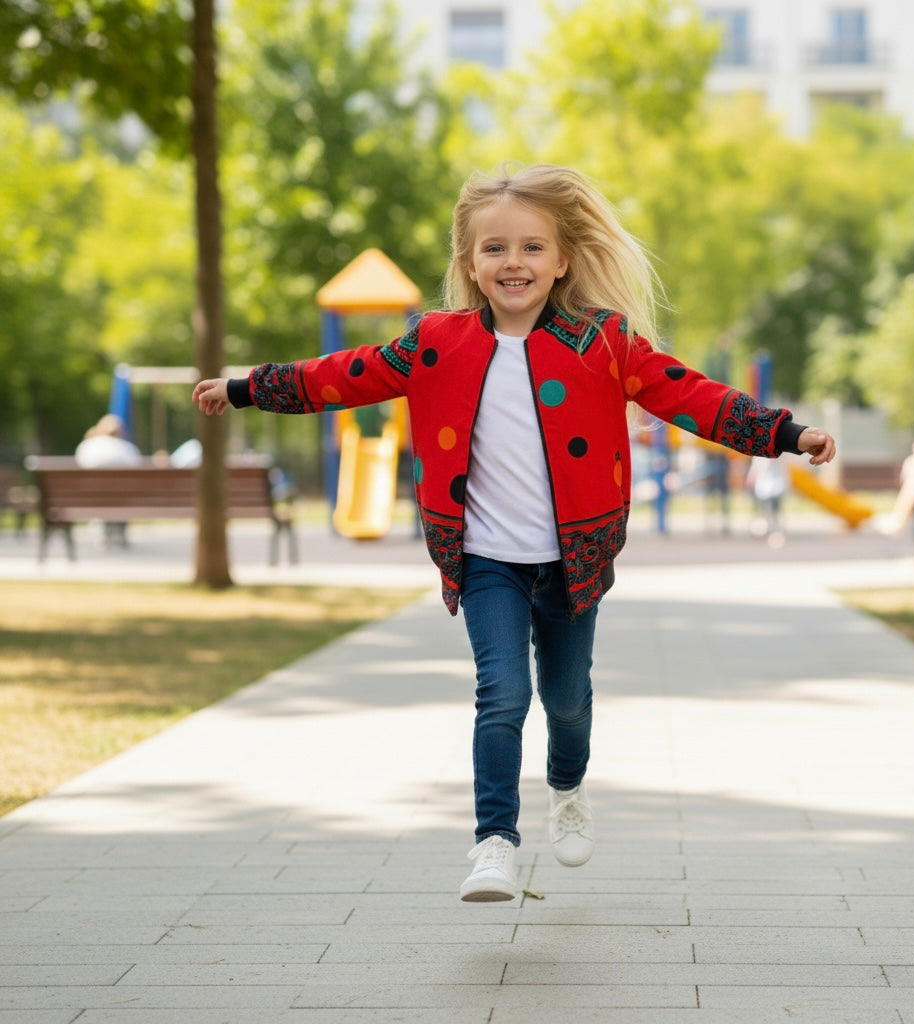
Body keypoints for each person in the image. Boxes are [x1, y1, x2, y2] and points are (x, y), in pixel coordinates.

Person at [193, 164, 836, 903]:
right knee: (502, 693)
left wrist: (786, 432)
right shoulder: (435, 341)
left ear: (562, 259)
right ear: (470, 263)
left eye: (532, 247)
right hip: (485, 557)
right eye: (494, 249)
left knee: (566, 699)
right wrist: (245, 385)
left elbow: (690, 395)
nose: (514, 263)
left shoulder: (603, 341)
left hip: (574, 559)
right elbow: (342, 374)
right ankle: (493, 841)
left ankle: (568, 788)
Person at [74, 413, 142, 547]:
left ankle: (103, 532)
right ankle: (119, 533)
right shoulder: (127, 448)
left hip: (93, 497)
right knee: (122, 491)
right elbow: (137, 467)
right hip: (122, 498)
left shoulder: (87, 446)